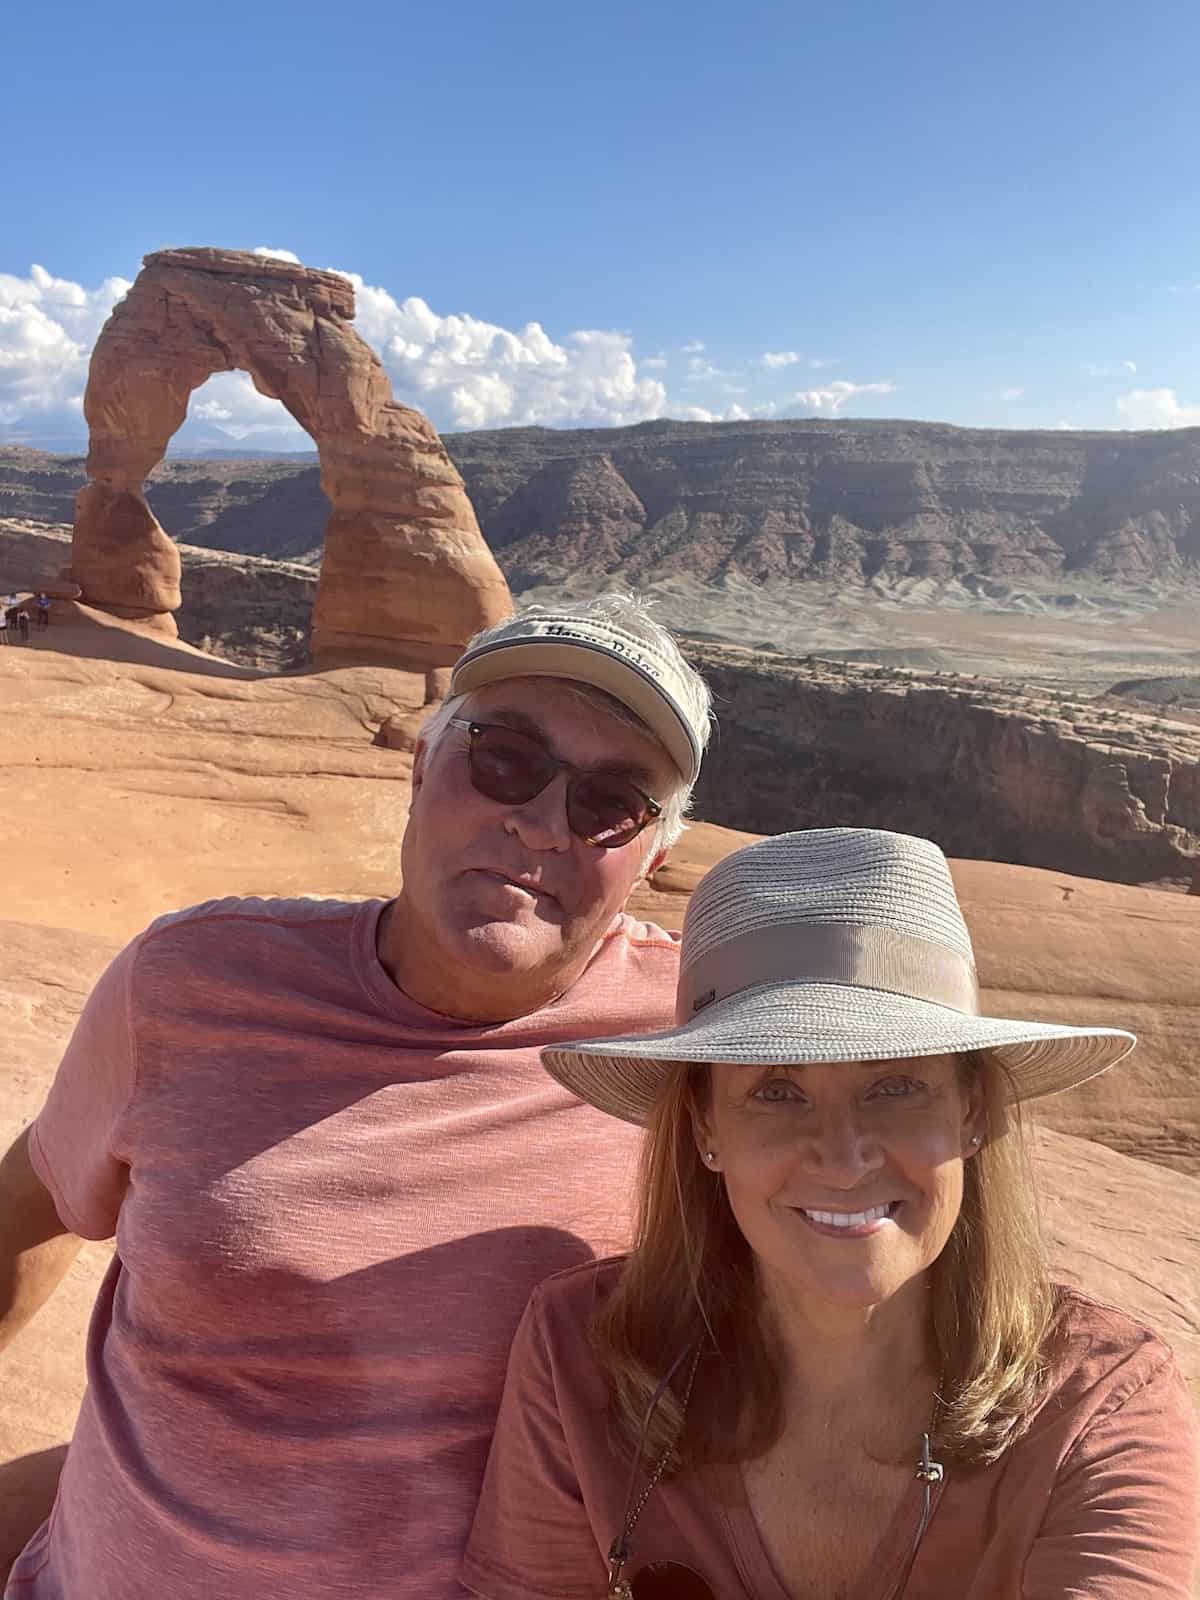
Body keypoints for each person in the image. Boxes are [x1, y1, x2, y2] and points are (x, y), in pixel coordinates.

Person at [0, 593, 713, 1599]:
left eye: (611, 803)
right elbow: (28, 1201)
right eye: (504, 757)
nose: (544, 823)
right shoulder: (189, 981)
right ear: (422, 761)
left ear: (657, 854)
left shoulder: (705, 1048)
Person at [465, 828, 1199, 1600]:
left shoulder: (1098, 1405)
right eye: (777, 1091)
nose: (844, 1158)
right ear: (707, 1126)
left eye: (896, 1087)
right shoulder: (584, 1359)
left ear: (973, 1109)